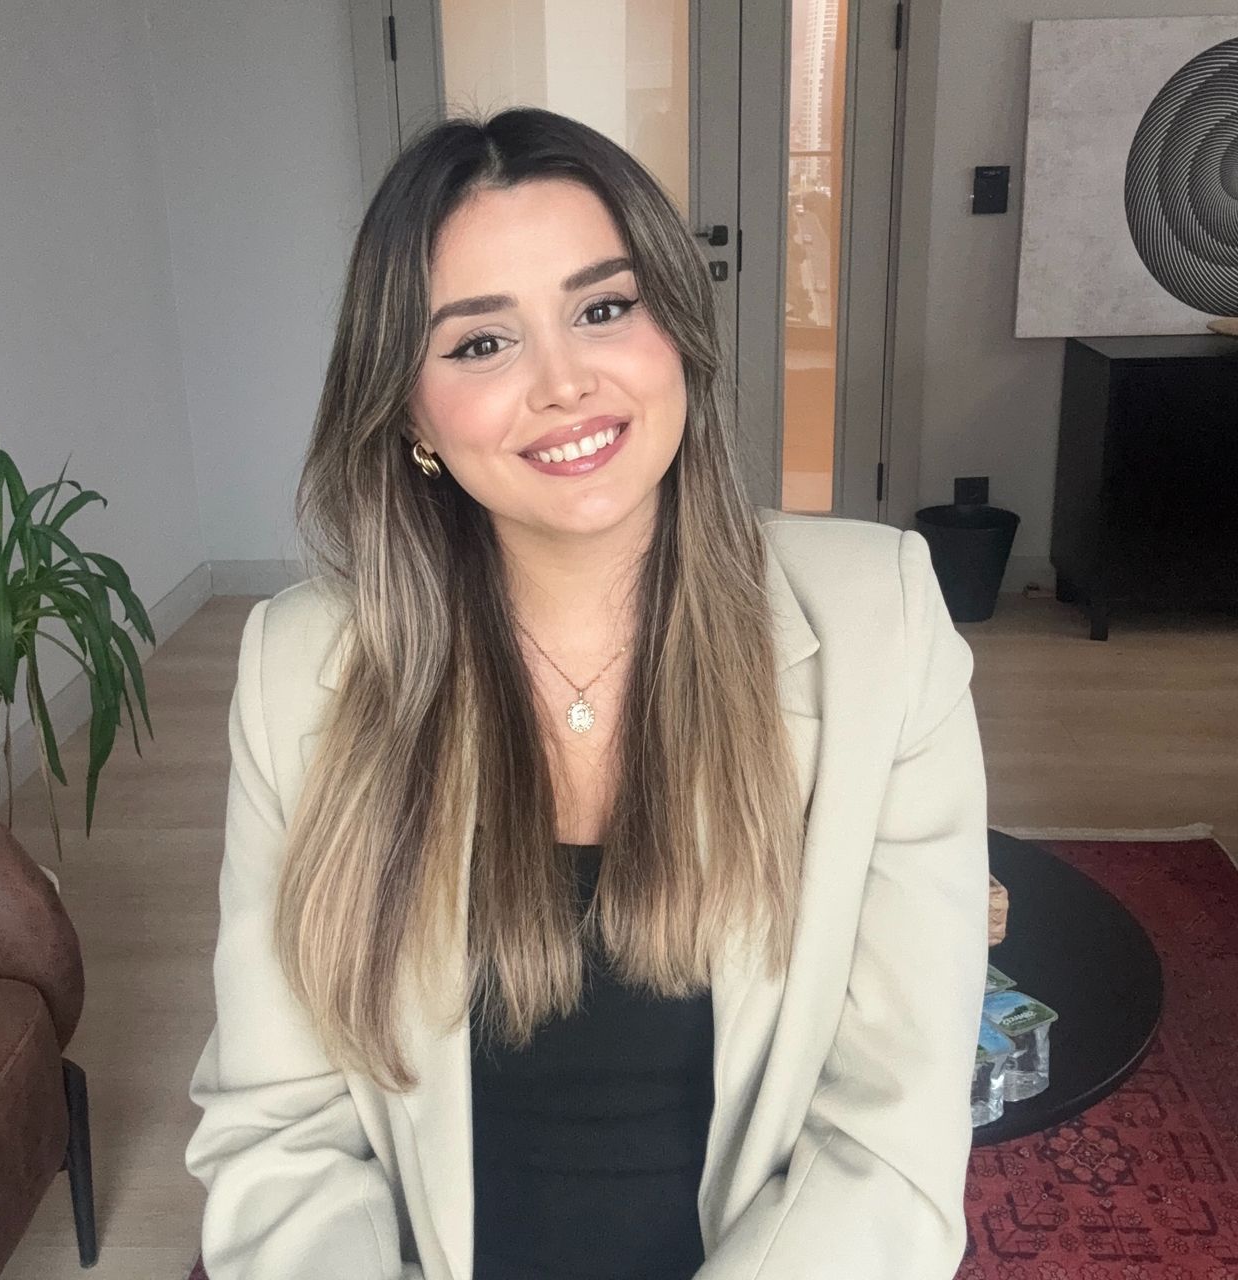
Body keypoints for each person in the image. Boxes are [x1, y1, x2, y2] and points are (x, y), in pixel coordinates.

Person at [185, 106, 989, 1280]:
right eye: (479, 343)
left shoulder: (882, 618)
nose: (564, 382)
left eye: (603, 309)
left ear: (676, 330)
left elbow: (889, 1134)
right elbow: (278, 1129)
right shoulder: (293, 670)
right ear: (408, 412)